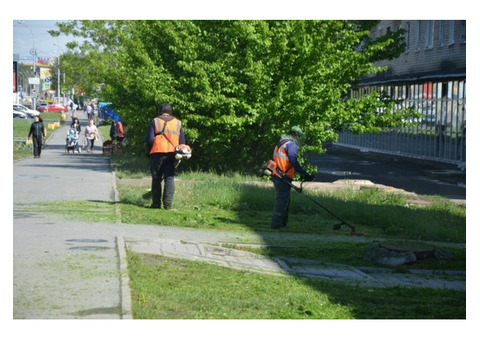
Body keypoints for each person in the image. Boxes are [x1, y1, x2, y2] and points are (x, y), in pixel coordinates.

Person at [271, 126, 315, 230]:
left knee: (285, 201)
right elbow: (293, 161)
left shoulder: (281, 142)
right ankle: (276, 225)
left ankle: (283, 224)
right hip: (283, 177)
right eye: (299, 136)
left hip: (277, 175)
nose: (299, 139)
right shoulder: (291, 145)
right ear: (296, 135)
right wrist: (304, 174)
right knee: (282, 202)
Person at [146, 103, 186, 209]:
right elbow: (182, 142)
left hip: (157, 152)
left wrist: (149, 151)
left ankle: (156, 204)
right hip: (172, 154)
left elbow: (150, 140)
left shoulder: (155, 121)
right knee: (169, 178)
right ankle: (168, 205)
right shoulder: (178, 123)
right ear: (170, 112)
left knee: (156, 178)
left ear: (160, 111)